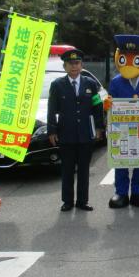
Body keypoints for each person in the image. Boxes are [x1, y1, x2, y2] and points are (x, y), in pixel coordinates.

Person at [105, 35, 139, 209]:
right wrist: (107, 106)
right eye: (125, 57)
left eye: (135, 58)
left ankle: (138, 191)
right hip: (121, 129)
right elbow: (110, 103)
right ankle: (121, 192)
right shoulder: (115, 82)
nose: (129, 62)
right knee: (121, 160)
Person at [47, 48, 104, 212]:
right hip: (66, 134)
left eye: (77, 63)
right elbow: (52, 109)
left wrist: (100, 128)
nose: (74, 67)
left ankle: (82, 201)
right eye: (70, 64)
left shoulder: (90, 84)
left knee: (84, 170)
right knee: (67, 170)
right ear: (65, 66)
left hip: (86, 135)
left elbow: (97, 107)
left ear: (81, 65)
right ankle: (67, 201)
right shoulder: (57, 85)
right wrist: (52, 131)